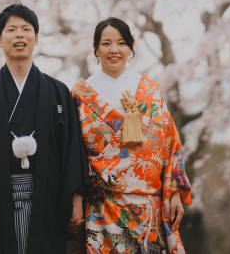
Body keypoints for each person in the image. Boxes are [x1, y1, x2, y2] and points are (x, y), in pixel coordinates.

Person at [0, 4, 90, 254]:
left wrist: (76, 200)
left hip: (48, 199)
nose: (19, 35)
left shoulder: (58, 92)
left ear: (36, 38)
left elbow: (72, 150)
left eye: (26, 29)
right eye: (11, 30)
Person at [69, 18, 192, 254]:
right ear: (96, 48)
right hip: (102, 206)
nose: (114, 50)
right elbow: (72, 151)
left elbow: (170, 142)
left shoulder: (149, 89)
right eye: (106, 43)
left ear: (131, 47)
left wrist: (175, 191)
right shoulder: (80, 94)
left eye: (121, 43)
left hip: (149, 207)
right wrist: (75, 198)